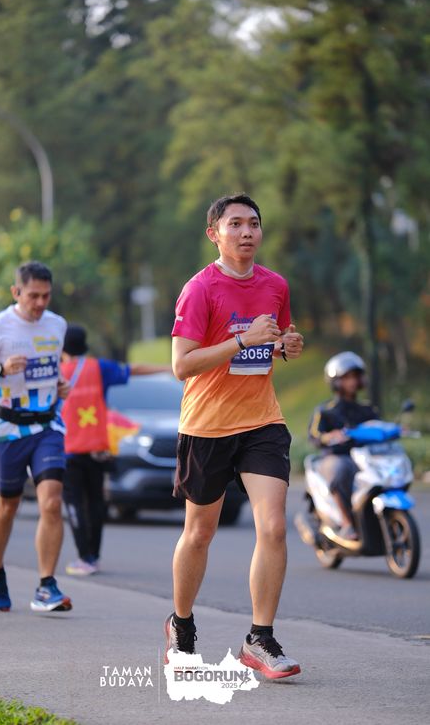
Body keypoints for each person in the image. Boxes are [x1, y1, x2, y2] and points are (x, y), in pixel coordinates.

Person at [165, 193, 304, 681]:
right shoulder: (199, 289)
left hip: (262, 422)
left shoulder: (275, 285)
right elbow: (182, 365)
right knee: (199, 534)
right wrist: (241, 340)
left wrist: (286, 345)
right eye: (236, 224)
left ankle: (259, 638)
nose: (247, 232)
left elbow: (276, 338)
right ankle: (181, 626)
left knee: (274, 527)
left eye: (254, 223)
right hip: (207, 426)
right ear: (214, 234)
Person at [0, 261, 72, 613]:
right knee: (7, 506)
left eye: (46, 295)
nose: (40, 303)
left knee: (51, 502)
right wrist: (0, 368)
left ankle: (46, 586)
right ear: (16, 292)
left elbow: (51, 367)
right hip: (7, 428)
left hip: (47, 425)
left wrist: (59, 384)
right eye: (33, 295)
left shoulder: (57, 325)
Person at [60, 324, 171, 576]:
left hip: (69, 449)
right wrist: (168, 368)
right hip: (97, 448)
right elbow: (134, 369)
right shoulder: (98, 368)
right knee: (96, 503)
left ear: (62, 347)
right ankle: (94, 557)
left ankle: (84, 557)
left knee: (74, 504)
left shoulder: (57, 373)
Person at [308, 351, 378, 541]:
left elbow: (378, 428)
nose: (352, 382)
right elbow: (314, 435)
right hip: (336, 457)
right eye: (346, 377)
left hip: (365, 458)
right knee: (342, 469)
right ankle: (347, 523)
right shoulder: (325, 410)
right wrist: (330, 436)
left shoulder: (367, 409)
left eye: (355, 376)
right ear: (336, 381)